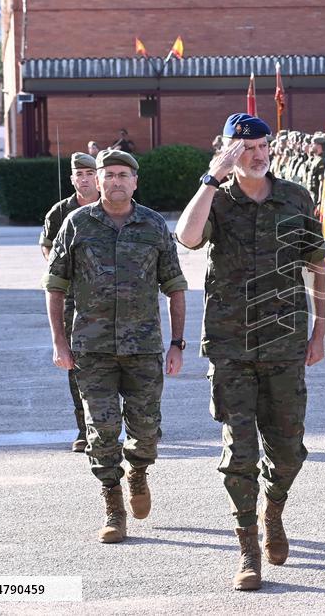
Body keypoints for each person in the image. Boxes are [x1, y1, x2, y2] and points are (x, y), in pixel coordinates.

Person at [176, 113, 325, 592]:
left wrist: (323, 328)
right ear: (227, 151)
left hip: (285, 341)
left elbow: (317, 263)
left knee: (288, 450)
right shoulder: (217, 201)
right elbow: (187, 236)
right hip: (231, 345)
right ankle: (247, 546)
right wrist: (211, 178)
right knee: (238, 452)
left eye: (263, 146)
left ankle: (274, 510)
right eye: (246, 148)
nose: (257, 155)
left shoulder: (295, 197)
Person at [44, 148, 187, 545]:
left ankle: (138, 471)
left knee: (145, 431)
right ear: (98, 179)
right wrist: (59, 342)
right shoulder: (76, 224)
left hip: (143, 348)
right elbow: (55, 286)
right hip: (92, 349)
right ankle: (112, 505)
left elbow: (174, 286)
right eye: (109, 175)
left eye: (123, 175)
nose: (116, 181)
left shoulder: (154, 225)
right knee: (102, 429)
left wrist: (177, 342)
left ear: (135, 181)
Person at [40, 152, 100, 452]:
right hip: (74, 301)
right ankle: (84, 429)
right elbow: (47, 249)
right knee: (77, 364)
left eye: (90, 173)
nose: (85, 178)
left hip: (113, 300)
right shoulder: (60, 212)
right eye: (80, 174)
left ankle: (141, 421)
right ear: (73, 178)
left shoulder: (115, 206)